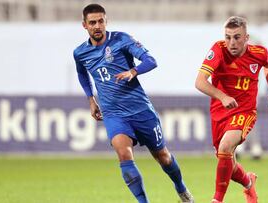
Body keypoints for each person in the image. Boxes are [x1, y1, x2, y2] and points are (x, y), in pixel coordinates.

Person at [73, 4, 194, 203]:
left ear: (106, 21)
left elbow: (151, 60)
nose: (97, 26)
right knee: (124, 154)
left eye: (100, 21)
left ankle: (181, 188)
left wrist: (133, 71)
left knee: (162, 156)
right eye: (92, 22)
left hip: (140, 110)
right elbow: (81, 73)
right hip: (113, 114)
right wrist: (90, 99)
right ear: (84, 25)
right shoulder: (80, 53)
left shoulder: (121, 39)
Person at [195, 16, 268, 203]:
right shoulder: (218, 50)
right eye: (228, 37)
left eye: (237, 37)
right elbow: (199, 82)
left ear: (246, 37)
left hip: (245, 111)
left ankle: (217, 200)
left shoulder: (259, 53)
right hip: (219, 111)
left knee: (226, 148)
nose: (231, 42)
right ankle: (249, 183)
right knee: (227, 162)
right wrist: (223, 97)